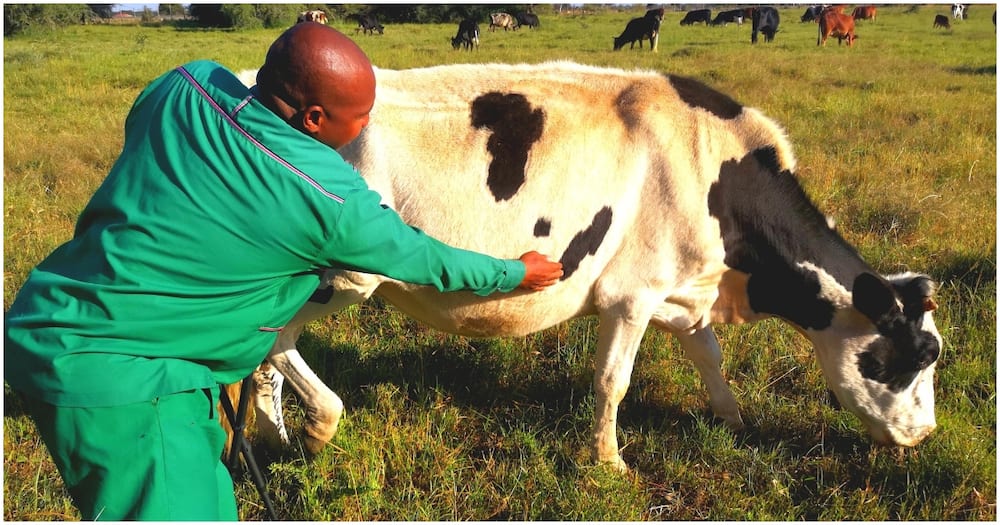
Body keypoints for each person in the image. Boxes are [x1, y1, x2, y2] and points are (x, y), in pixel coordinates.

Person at [4, 23, 563, 521]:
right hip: (130, 381)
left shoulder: (187, 82)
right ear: (314, 118)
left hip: (57, 318)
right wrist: (515, 272)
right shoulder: (328, 198)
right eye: (361, 116)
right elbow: (426, 259)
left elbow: (144, 138)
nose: (368, 123)